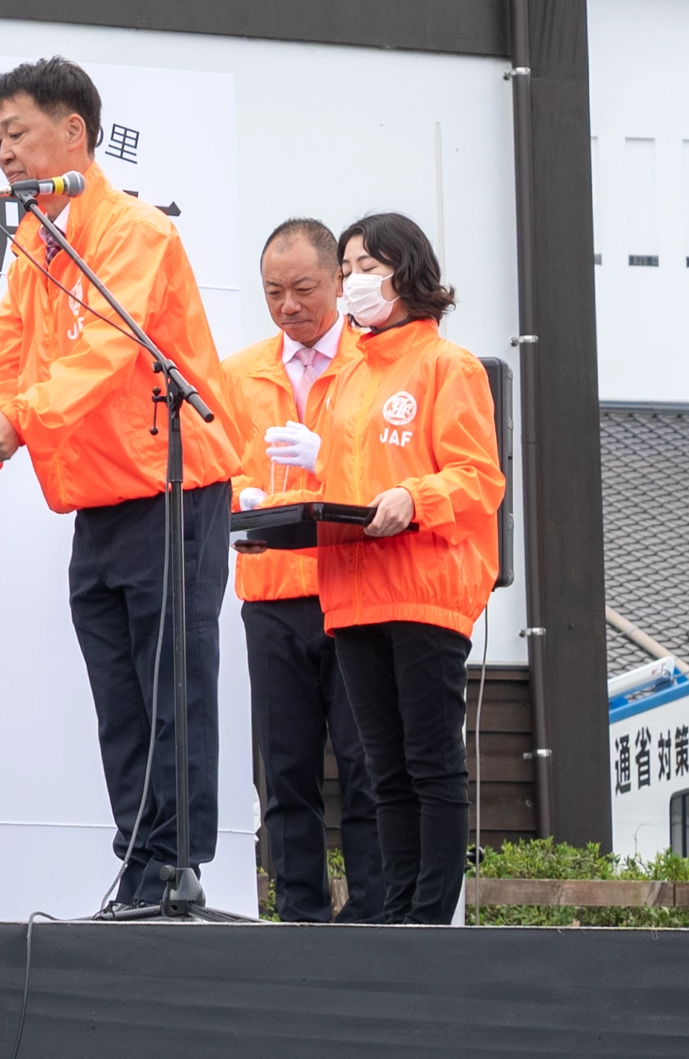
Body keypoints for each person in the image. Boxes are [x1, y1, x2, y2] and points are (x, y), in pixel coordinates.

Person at [0, 57, 240, 910]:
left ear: (74, 132)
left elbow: (107, 356)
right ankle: (140, 863)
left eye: (17, 133)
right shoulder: (34, 244)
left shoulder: (135, 232)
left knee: (171, 686)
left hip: (174, 490)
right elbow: (7, 369)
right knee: (119, 696)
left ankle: (174, 868)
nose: (4, 154)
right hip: (98, 500)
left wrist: (19, 421)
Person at [261, 212, 503, 924]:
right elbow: (343, 483)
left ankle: (429, 916)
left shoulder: (447, 365)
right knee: (381, 771)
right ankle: (399, 916)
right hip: (354, 596)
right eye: (348, 269)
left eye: (368, 266)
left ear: (408, 271)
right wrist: (272, 514)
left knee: (430, 764)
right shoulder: (348, 375)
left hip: (423, 591)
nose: (355, 280)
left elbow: (478, 477)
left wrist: (414, 496)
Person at [223, 218, 382, 923]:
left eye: (304, 289)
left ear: (338, 283)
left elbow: (395, 469)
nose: (288, 305)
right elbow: (216, 470)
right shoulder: (237, 373)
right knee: (284, 770)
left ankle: (376, 918)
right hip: (269, 597)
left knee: (366, 765)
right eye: (273, 291)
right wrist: (242, 500)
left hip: (354, 591)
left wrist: (329, 461)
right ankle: (299, 918)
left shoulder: (373, 366)